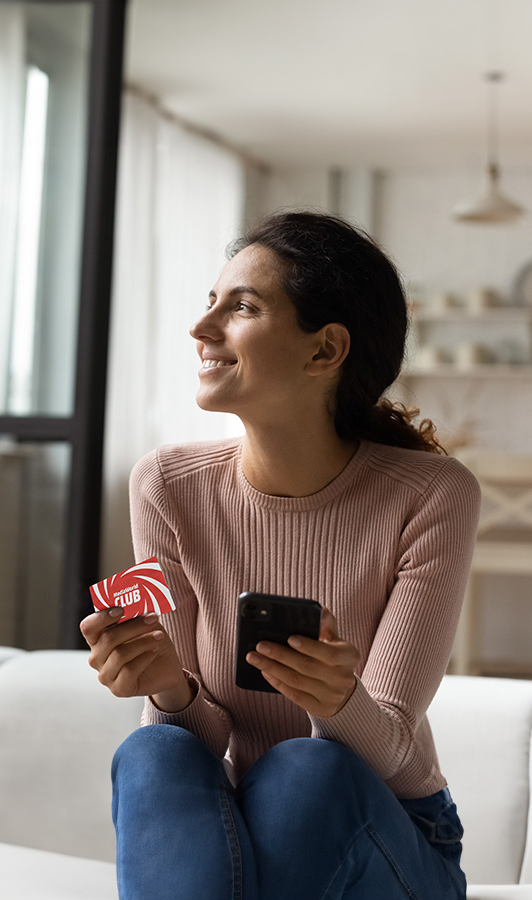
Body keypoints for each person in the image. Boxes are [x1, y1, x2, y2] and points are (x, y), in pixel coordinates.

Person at [80, 211, 479, 900]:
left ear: (325, 351)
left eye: (241, 307)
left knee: (308, 769)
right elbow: (198, 740)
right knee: (156, 750)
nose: (202, 329)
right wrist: (167, 686)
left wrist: (338, 701)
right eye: (210, 303)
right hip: (240, 828)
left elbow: (387, 749)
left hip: (394, 832)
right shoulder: (166, 486)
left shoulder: (431, 495)